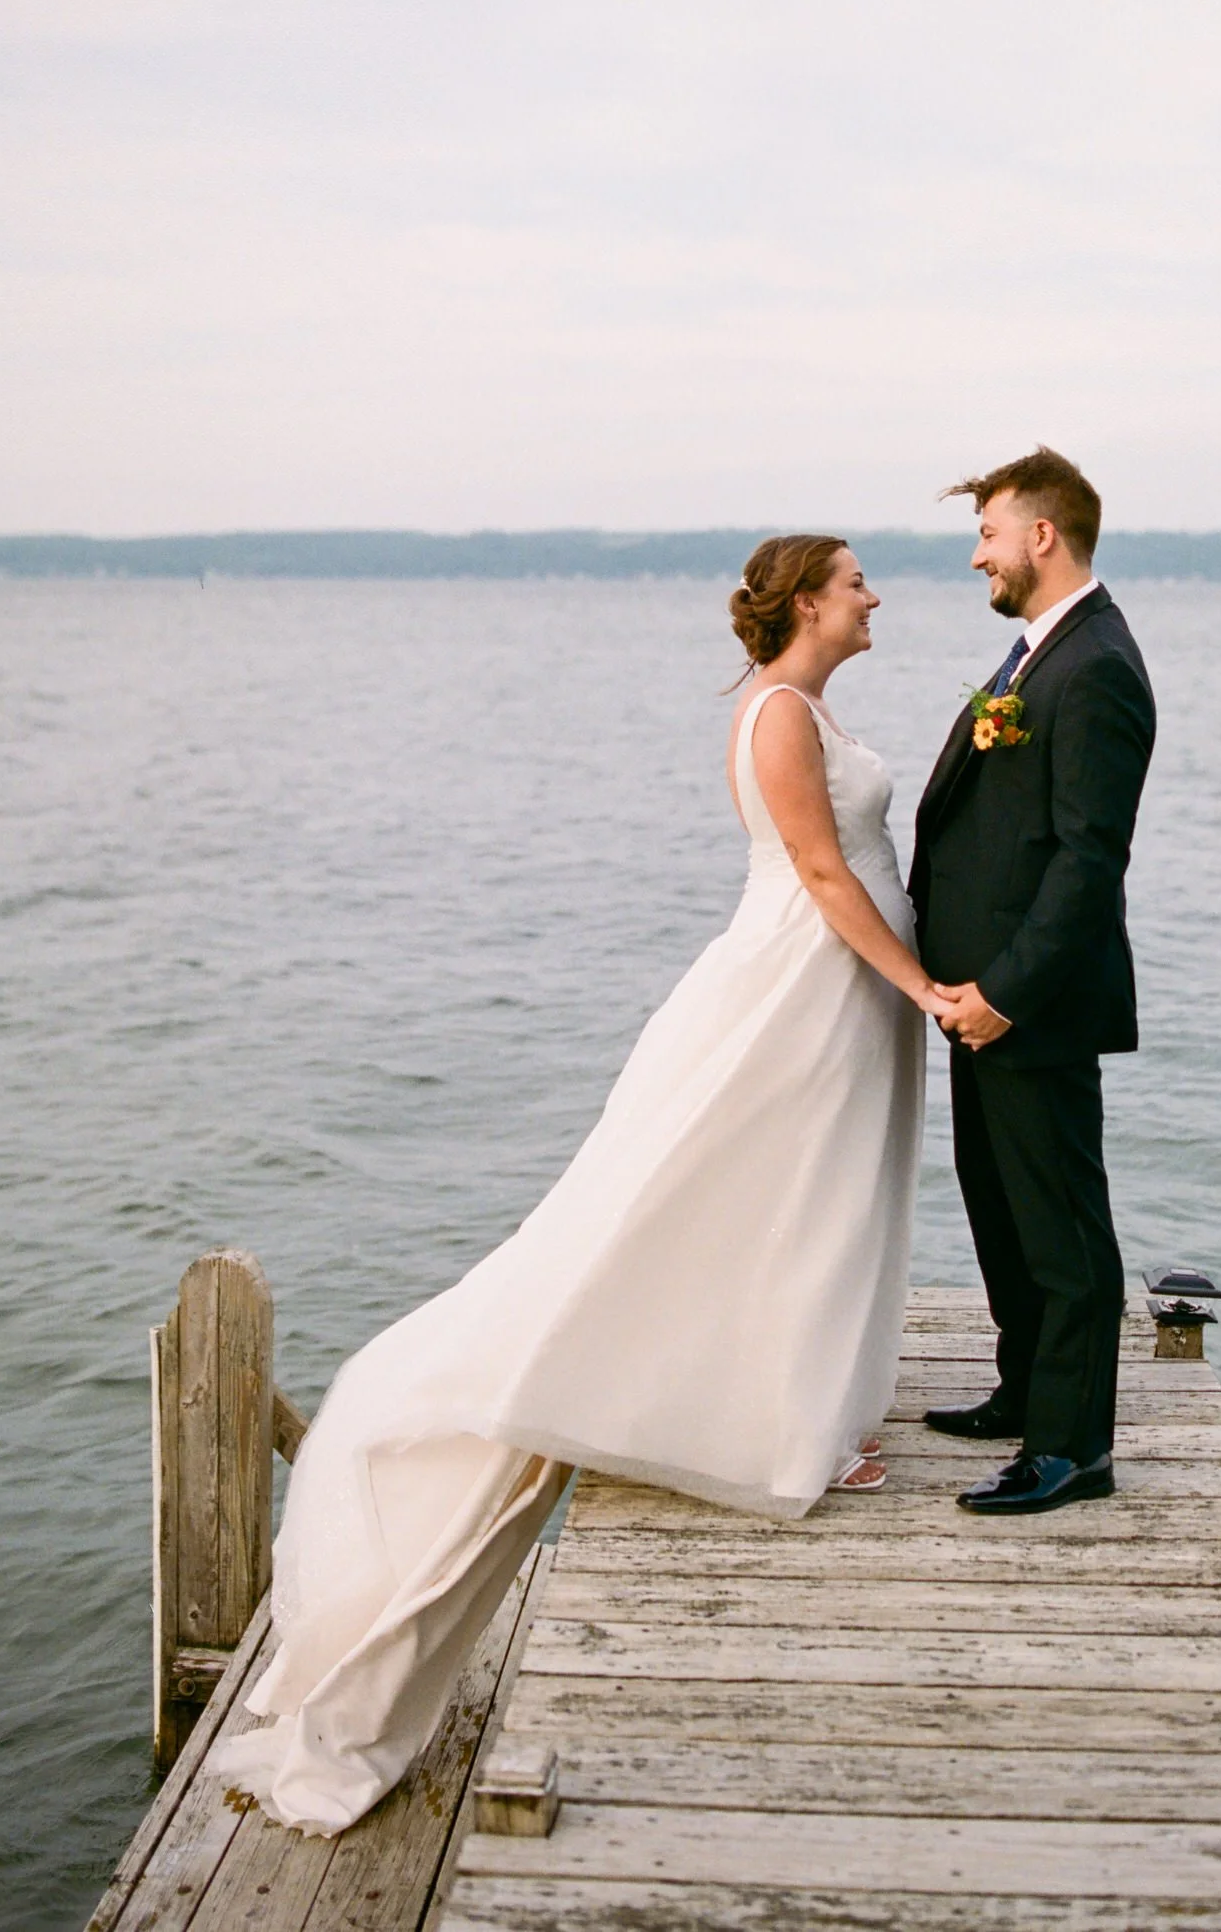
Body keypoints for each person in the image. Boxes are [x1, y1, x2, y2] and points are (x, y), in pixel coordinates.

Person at [211, 534, 937, 1834]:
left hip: (840, 991)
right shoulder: (775, 714)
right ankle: (766, 1419)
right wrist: (922, 988)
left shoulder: (816, 706)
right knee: (755, 1198)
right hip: (800, 989)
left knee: (819, 1197)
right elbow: (821, 873)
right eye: (856, 579)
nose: (875, 594)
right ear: (807, 604)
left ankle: (814, 1404)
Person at [911, 447, 1156, 1515]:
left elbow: (1084, 859)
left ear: (1041, 536)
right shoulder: (1033, 655)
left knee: (1060, 1229)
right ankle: (1023, 1389)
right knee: (999, 1208)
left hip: (1031, 1005)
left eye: (988, 535)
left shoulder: (1094, 664)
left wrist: (1003, 991)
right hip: (981, 1001)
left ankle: (1069, 1449)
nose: (978, 557)